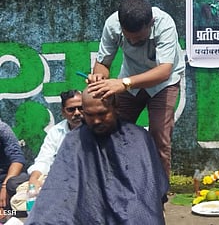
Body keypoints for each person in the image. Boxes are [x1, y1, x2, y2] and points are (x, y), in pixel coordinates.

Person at [24, 88, 169, 224]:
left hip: (130, 207)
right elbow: (61, 188)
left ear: (116, 108)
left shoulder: (137, 137)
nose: (96, 121)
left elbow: (149, 188)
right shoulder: (74, 140)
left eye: (102, 114)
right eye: (90, 115)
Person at [87, 0, 185, 177]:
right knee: (112, 129)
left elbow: (163, 71)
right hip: (129, 80)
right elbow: (103, 63)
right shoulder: (112, 24)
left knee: (159, 137)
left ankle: (158, 195)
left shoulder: (165, 24)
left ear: (151, 23)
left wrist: (124, 83)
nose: (132, 42)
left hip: (163, 83)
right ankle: (116, 186)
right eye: (128, 38)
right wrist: (99, 77)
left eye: (139, 38)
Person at [9, 90, 83, 211]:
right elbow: (44, 159)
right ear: (63, 112)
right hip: (54, 177)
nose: (77, 113)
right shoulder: (56, 131)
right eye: (71, 109)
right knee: (13, 184)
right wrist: (34, 180)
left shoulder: (94, 129)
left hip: (80, 179)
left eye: (81, 108)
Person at [0, 119, 28, 217]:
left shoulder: (2, 129)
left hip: (6, 178)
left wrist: (4, 187)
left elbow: (18, 160)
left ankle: (11, 214)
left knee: (13, 184)